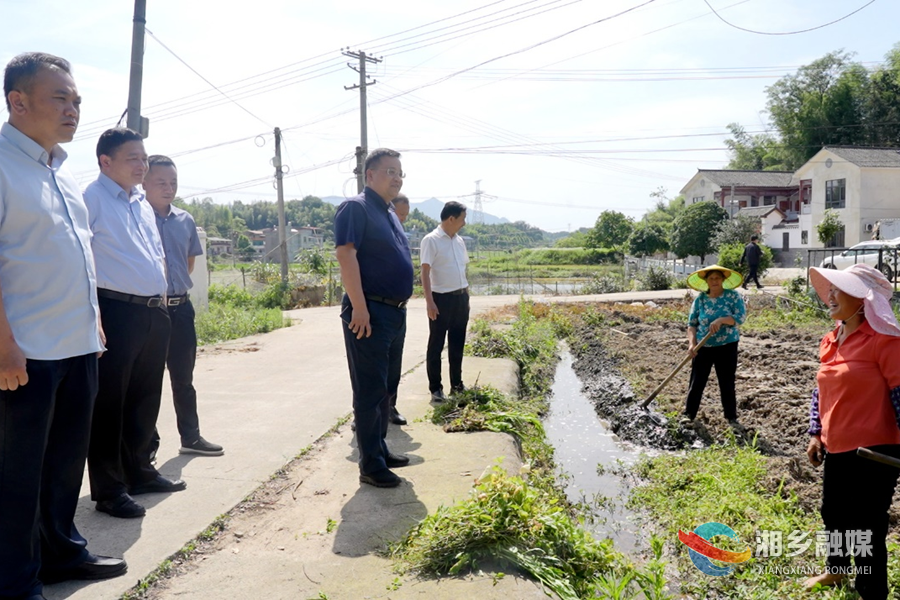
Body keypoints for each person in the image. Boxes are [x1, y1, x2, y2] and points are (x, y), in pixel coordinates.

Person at [0, 52, 126, 600]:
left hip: (76, 346)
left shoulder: (62, 172)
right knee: (15, 477)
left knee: (63, 464)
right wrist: (3, 346)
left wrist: (93, 321)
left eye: (77, 99)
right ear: (18, 101)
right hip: (24, 352)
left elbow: (78, 255)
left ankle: (60, 551)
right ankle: (13, 578)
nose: (74, 108)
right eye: (61, 98)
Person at [85, 128, 185, 520]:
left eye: (144, 158)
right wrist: (92, 314)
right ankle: (109, 489)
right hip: (114, 311)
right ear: (105, 162)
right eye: (133, 158)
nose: (142, 165)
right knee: (110, 402)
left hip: (152, 311)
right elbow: (83, 261)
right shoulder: (90, 199)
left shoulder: (142, 202)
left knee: (145, 396)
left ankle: (140, 472)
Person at [804, 263, 900, 599]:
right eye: (829, 289)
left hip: (876, 450)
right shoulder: (831, 340)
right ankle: (837, 569)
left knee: (867, 525)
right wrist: (816, 432)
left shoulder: (884, 341)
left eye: (838, 289)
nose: (829, 296)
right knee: (833, 511)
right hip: (838, 446)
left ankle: (872, 592)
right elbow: (821, 392)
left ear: (862, 300)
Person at [334, 148, 413, 488]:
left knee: (386, 388)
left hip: (394, 312)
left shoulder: (390, 213)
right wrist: (360, 306)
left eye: (400, 172)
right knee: (369, 389)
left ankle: (380, 448)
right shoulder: (357, 208)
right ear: (369, 176)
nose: (396, 178)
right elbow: (345, 254)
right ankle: (370, 464)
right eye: (389, 171)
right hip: (370, 311)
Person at [145, 155, 223, 458]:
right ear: (145, 183)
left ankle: (191, 437)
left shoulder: (185, 220)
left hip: (181, 308)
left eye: (173, 182)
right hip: (151, 310)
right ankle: (145, 447)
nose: (168, 188)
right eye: (161, 182)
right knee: (148, 381)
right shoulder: (137, 216)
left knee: (184, 378)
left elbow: (188, 264)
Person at [682, 265, 746, 425]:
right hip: (703, 347)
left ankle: (731, 417)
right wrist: (692, 344)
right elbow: (692, 324)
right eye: (711, 278)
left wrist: (721, 320)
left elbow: (740, 317)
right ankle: (689, 414)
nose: (714, 281)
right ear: (706, 281)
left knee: (726, 381)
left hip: (727, 345)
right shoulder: (700, 300)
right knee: (697, 381)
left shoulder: (733, 297)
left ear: (723, 279)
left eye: (717, 278)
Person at [421, 201, 470, 403]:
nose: (464, 223)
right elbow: (424, 272)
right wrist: (430, 302)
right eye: (462, 219)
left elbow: (462, 269)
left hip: (461, 298)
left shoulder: (459, 241)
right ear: (451, 218)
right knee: (436, 344)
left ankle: (456, 384)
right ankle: (436, 388)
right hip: (441, 299)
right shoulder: (431, 240)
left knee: (457, 343)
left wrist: (466, 294)